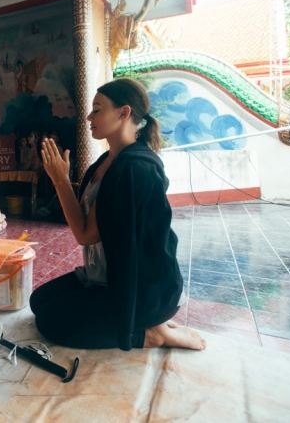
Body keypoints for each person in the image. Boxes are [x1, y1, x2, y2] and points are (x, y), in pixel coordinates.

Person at [30, 78, 205, 352]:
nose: (89, 117)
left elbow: (85, 235)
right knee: (39, 302)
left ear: (124, 113)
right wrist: (60, 179)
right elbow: (87, 226)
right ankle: (152, 323)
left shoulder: (133, 168)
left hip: (138, 289)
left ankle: (149, 334)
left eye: (97, 109)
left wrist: (61, 181)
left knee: (50, 323)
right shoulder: (106, 162)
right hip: (100, 276)